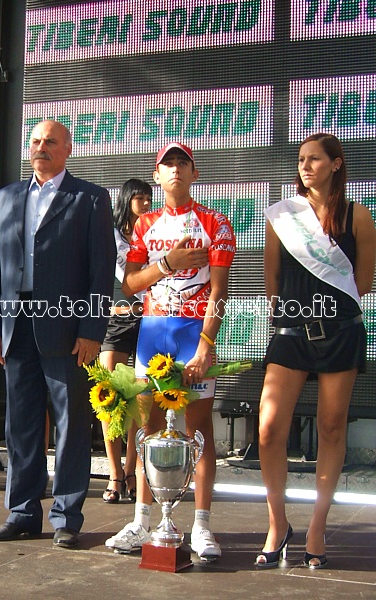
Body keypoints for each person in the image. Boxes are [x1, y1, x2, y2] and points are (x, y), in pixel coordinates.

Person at [0, 120, 116, 548]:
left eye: (50, 142)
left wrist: (93, 329)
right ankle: (21, 512)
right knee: (19, 424)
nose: (41, 148)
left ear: (67, 150)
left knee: (71, 423)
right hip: (15, 326)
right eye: (36, 141)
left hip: (68, 328)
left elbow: (100, 271)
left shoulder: (91, 199)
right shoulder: (4, 198)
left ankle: (66, 517)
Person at [105, 143, 236, 560]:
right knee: (148, 430)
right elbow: (129, 285)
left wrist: (206, 345)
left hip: (193, 332)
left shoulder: (216, 221)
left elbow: (219, 291)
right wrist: (169, 262)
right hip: (153, 333)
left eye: (183, 163)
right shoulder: (143, 225)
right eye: (168, 164)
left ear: (194, 174)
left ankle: (201, 527)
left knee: (198, 432)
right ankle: (143, 522)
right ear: (157, 176)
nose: (175, 169)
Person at [255, 133, 376, 570]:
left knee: (331, 427)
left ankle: (318, 527)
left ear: (337, 164)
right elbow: (271, 276)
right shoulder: (282, 216)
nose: (306, 166)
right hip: (291, 332)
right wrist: (288, 313)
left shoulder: (357, 216)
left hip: (340, 332)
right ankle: (277, 523)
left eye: (315, 159)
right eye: (301, 159)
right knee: (268, 430)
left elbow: (362, 283)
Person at [99, 178, 152, 504]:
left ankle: (132, 471)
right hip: (114, 320)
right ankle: (114, 472)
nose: (145, 203)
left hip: (147, 320)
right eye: (140, 198)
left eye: (149, 198)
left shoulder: (155, 234)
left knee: (140, 402)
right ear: (127, 200)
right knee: (110, 399)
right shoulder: (110, 236)